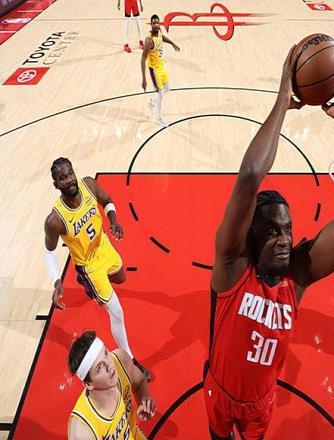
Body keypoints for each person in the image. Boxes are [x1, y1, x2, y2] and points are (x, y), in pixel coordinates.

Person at [204, 47, 334, 440]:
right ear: (250, 235)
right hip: (219, 393)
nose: (284, 239)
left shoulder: (297, 273)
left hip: (261, 403)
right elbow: (250, 176)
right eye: (271, 230)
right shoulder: (232, 268)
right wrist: (282, 100)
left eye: (288, 229)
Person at [44, 157, 151, 380]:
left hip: (103, 245)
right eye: (62, 178)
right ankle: (130, 361)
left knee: (121, 277)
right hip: (89, 265)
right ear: (56, 185)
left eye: (70, 174)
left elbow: (108, 202)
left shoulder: (89, 185)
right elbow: (49, 251)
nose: (69, 180)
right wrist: (56, 280)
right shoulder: (55, 220)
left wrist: (114, 222)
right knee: (117, 312)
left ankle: (90, 287)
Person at [67, 331, 156, 439]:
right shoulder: (82, 432)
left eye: (105, 353)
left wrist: (144, 402)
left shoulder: (120, 360)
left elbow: (140, 382)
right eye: (99, 368)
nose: (109, 365)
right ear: (89, 384)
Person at [141, 14, 180, 127]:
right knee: (161, 95)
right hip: (154, 70)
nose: (156, 25)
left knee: (167, 89)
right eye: (154, 23)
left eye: (158, 22)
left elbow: (162, 37)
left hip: (161, 67)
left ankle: (153, 102)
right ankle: (159, 118)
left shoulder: (159, 32)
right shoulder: (149, 41)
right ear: (151, 24)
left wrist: (172, 43)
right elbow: (143, 58)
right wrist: (144, 79)